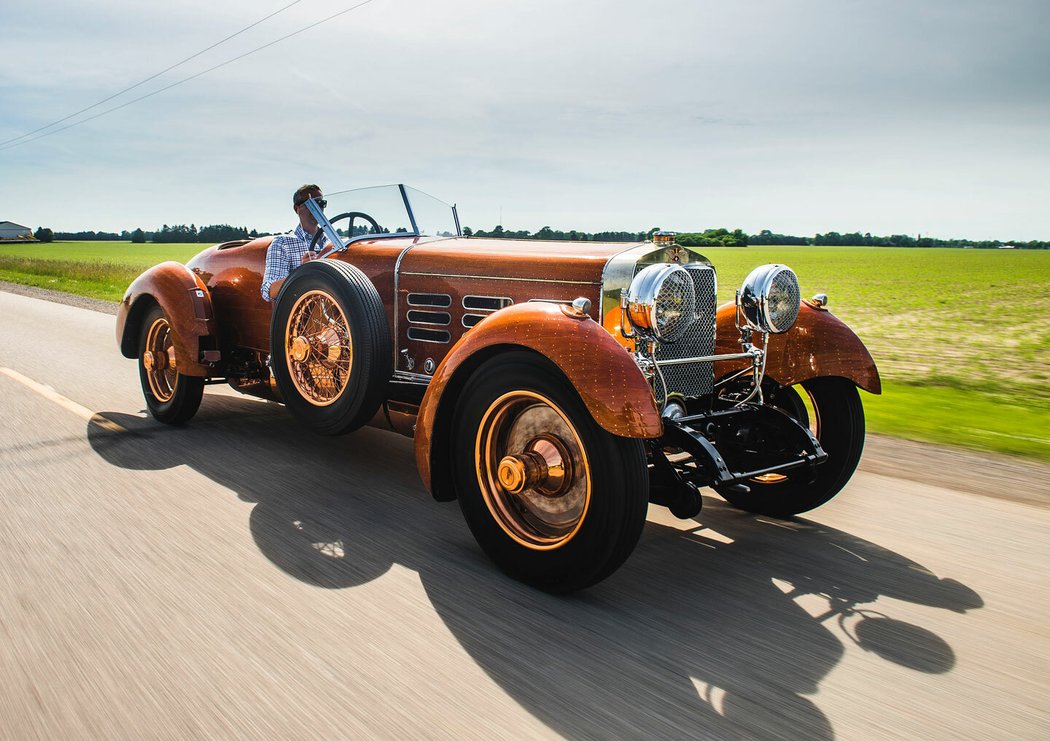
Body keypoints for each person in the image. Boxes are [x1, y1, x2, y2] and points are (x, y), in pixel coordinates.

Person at [260, 183, 328, 301]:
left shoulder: (334, 242)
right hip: (305, 313)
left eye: (321, 203)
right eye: (311, 203)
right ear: (297, 208)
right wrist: (303, 272)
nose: (318, 207)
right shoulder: (282, 243)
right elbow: (268, 291)